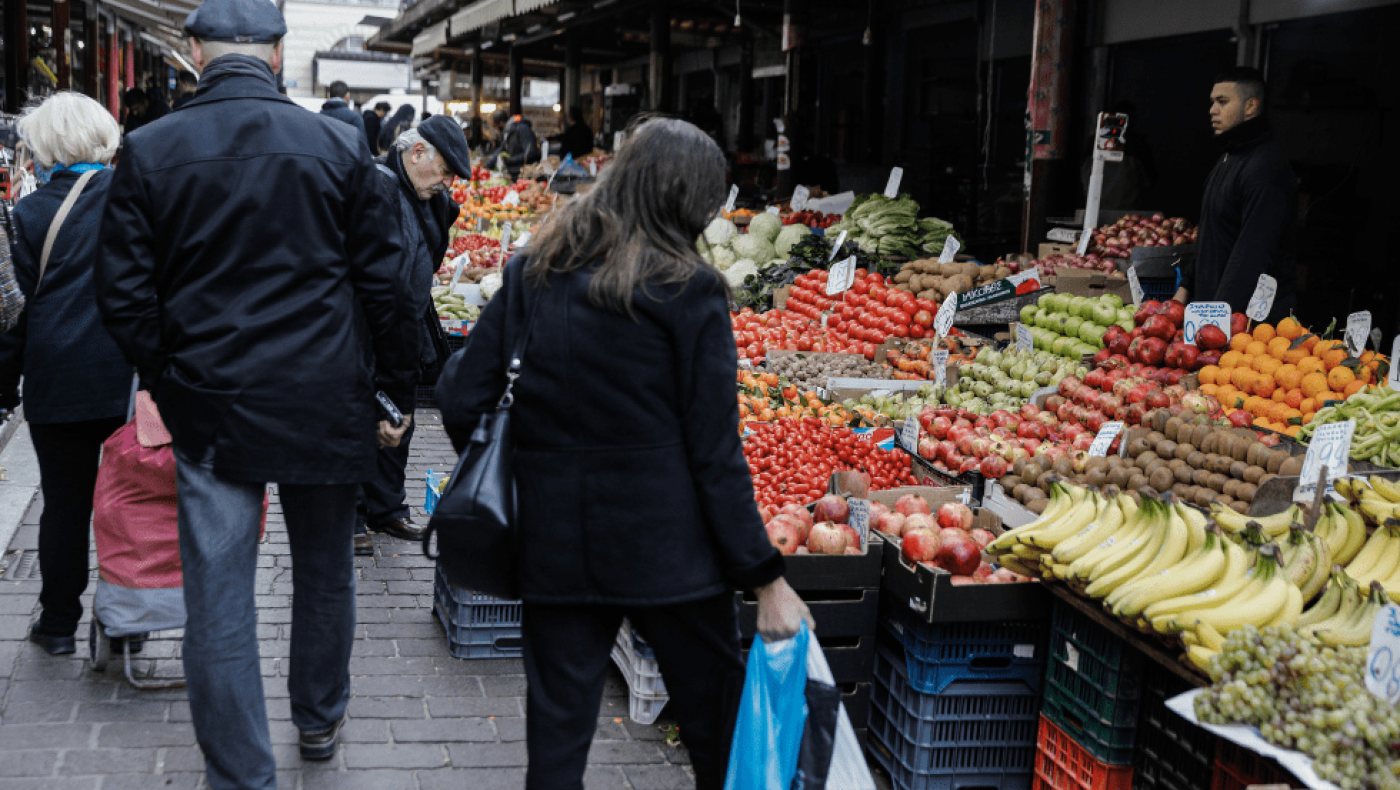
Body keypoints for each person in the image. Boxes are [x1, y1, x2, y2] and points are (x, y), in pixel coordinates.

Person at [94, 0, 419, 784]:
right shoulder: (340, 146)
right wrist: (394, 384)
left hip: (209, 401)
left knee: (219, 594)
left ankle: (241, 771)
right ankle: (319, 717)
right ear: (276, 55)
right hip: (323, 395)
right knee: (324, 571)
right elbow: (389, 284)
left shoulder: (149, 148)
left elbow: (124, 295)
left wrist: (168, 374)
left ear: (196, 52)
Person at [435, 117, 813, 790]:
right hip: (672, 553)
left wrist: (526, 465)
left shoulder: (534, 273)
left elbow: (462, 396)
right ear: (685, 201)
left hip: (556, 545)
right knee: (716, 734)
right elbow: (715, 451)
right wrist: (766, 577)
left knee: (556, 739)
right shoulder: (689, 289)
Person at [0, 93, 134, 657]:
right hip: (126, 379)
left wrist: (6, 388)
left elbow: (11, 315)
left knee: (65, 504)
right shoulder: (135, 202)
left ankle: (57, 625)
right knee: (130, 502)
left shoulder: (25, 215)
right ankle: (129, 625)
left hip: (56, 381)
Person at [351, 117, 469, 555]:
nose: (446, 181)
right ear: (415, 153)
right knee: (371, 414)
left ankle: (387, 507)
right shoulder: (377, 189)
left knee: (401, 414)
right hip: (371, 326)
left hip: (408, 322)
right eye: (443, 170)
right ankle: (356, 514)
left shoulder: (425, 195)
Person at [1174, 67, 1297, 321]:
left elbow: (1251, 256)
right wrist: (1184, 290)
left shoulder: (1265, 168)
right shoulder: (1228, 158)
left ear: (1251, 106)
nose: (1212, 110)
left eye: (1222, 102)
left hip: (1248, 326)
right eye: (1212, 102)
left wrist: (1216, 320)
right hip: (1215, 316)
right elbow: (1210, 235)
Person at [484, 107, 539, 179]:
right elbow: (503, 148)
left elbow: (531, 152)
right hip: (513, 171)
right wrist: (488, 163)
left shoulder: (522, 128)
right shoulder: (508, 131)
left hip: (524, 173)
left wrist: (510, 160)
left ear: (501, 123)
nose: (497, 131)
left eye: (496, 127)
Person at [320, 80, 368, 152]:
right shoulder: (354, 117)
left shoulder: (319, 116)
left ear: (328, 95)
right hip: (347, 161)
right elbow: (362, 147)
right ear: (347, 96)